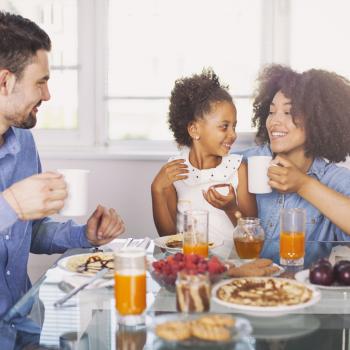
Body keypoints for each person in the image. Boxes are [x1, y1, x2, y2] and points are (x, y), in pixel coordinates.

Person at [0, 11, 125, 321]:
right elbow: (12, 212)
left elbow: (31, 231)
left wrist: (85, 235)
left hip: (18, 324)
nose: (47, 94)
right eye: (40, 82)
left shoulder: (24, 144)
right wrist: (10, 204)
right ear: (5, 81)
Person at [241, 64, 350, 241]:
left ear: (318, 120)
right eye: (271, 111)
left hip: (300, 270)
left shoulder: (333, 179)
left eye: (288, 112)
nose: (274, 121)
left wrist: (303, 185)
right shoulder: (247, 161)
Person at [151, 69, 257, 242]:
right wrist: (156, 189)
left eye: (234, 126)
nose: (233, 134)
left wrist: (231, 208)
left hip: (233, 266)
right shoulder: (175, 170)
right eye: (224, 126)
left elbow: (251, 236)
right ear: (194, 129)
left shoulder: (238, 169)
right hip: (191, 264)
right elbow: (168, 240)